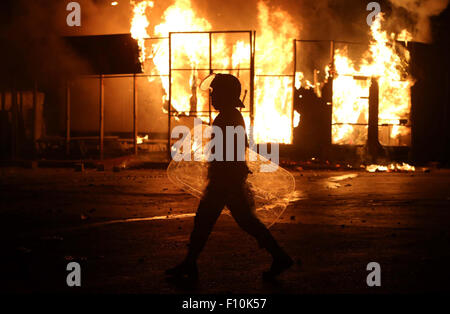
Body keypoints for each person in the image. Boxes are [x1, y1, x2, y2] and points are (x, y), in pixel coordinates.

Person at [165, 73, 293, 281]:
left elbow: (233, 149)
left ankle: (280, 256)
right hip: (225, 179)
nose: (212, 97)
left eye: (216, 93)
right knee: (228, 221)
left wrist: (223, 174)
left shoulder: (228, 117)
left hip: (225, 181)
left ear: (226, 94)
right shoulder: (228, 116)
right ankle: (190, 263)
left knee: (217, 221)